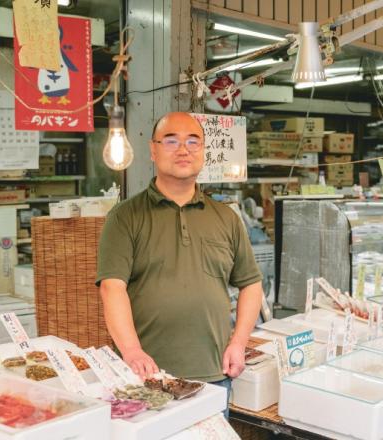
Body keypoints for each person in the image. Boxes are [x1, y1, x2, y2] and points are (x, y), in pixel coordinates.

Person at [96, 112, 264, 409]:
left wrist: (239, 343)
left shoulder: (226, 217)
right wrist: (132, 351)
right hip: (146, 377)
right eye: (171, 141)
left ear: (203, 150)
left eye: (192, 141)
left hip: (214, 374)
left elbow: (251, 284)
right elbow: (112, 288)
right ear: (153, 150)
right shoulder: (125, 217)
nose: (183, 149)